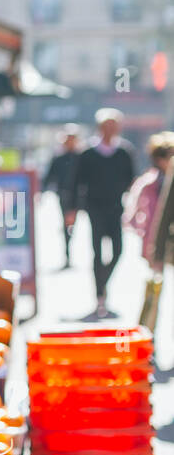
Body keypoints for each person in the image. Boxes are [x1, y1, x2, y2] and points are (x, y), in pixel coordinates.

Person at [69, 108, 137, 318]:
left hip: (116, 208)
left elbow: (131, 181)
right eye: (106, 126)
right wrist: (72, 209)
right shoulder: (88, 153)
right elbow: (76, 181)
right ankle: (99, 297)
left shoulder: (124, 151)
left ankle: (103, 282)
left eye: (114, 126)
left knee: (118, 251)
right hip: (94, 208)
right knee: (97, 253)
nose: (110, 130)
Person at [123, 131, 174, 270]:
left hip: (164, 236)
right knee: (157, 274)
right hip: (156, 234)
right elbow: (161, 215)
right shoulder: (149, 182)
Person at [41, 124, 82, 267]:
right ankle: (67, 255)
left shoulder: (81, 157)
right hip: (64, 195)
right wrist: (41, 192)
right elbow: (49, 177)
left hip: (80, 196)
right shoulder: (58, 158)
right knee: (66, 225)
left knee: (74, 225)